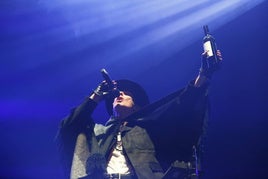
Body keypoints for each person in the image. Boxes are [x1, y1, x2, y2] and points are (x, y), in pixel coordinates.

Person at [56, 50, 222, 179]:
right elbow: (69, 126)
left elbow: (181, 105)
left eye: (126, 94)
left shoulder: (149, 128)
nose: (119, 95)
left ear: (137, 106)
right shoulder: (97, 132)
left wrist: (203, 74)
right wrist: (97, 95)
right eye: (116, 95)